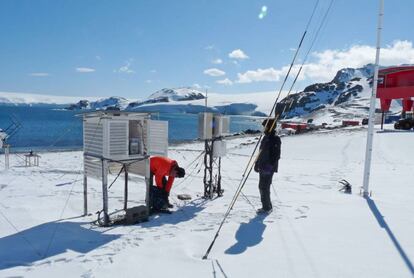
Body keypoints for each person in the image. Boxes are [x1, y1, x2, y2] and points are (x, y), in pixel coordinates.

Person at [254, 118, 281, 214]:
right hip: (262, 165)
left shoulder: (275, 139)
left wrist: (269, 166)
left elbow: (276, 155)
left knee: (263, 186)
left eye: (265, 126)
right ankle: (267, 206)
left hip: (268, 167)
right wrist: (257, 163)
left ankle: (266, 207)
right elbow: (260, 153)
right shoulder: (266, 138)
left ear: (269, 127)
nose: (263, 128)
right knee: (263, 186)